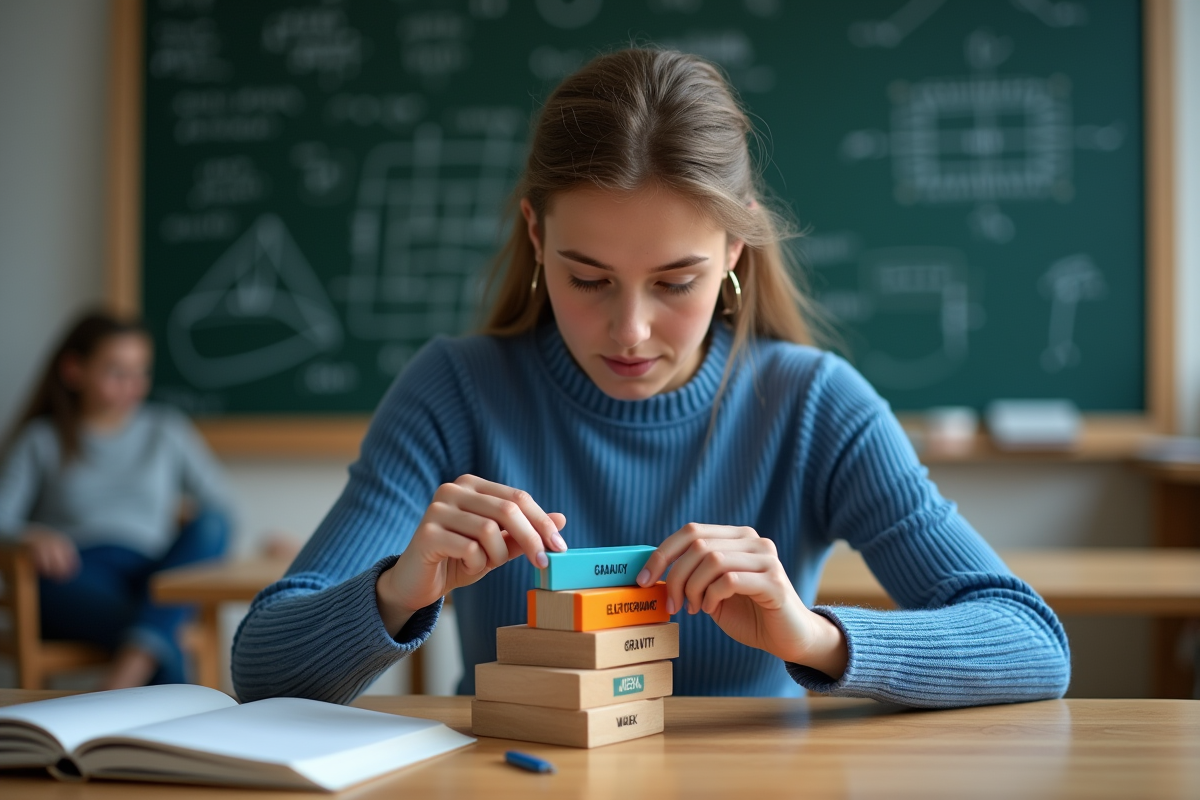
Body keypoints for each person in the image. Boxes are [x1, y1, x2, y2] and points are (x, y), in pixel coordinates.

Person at [232, 49, 1070, 706]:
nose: (629, 331)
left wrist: (811, 637)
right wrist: (396, 590)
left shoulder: (816, 403)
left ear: (735, 251)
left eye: (676, 282)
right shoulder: (455, 389)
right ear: (534, 235)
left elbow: (1032, 644)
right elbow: (262, 666)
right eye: (587, 278)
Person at [0, 311, 232, 687]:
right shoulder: (41, 440)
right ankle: (149, 660)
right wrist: (30, 535)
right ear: (74, 370)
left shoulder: (166, 430)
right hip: (74, 575)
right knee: (161, 624)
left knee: (213, 524)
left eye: (141, 372)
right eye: (116, 372)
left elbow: (221, 506)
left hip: (151, 575)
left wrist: (185, 523)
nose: (132, 386)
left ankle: (126, 672)